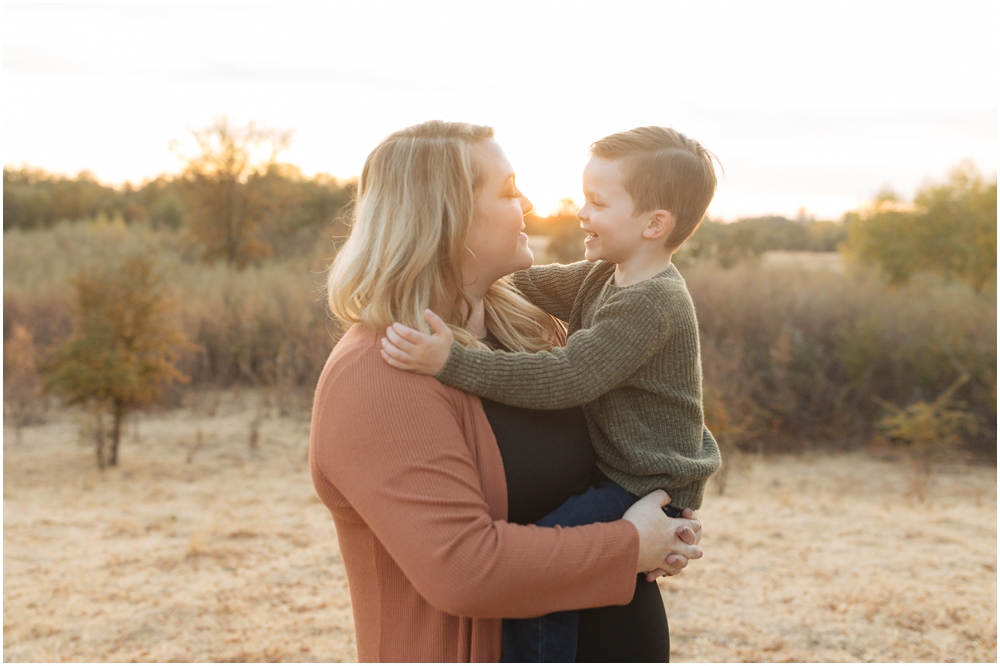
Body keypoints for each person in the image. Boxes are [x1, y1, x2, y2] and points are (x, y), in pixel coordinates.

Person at [310, 120, 704, 663]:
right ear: (445, 215)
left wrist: (664, 509)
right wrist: (631, 546)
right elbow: (464, 571)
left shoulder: (523, 331)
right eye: (508, 190)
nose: (531, 203)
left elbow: (642, 402)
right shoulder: (380, 373)